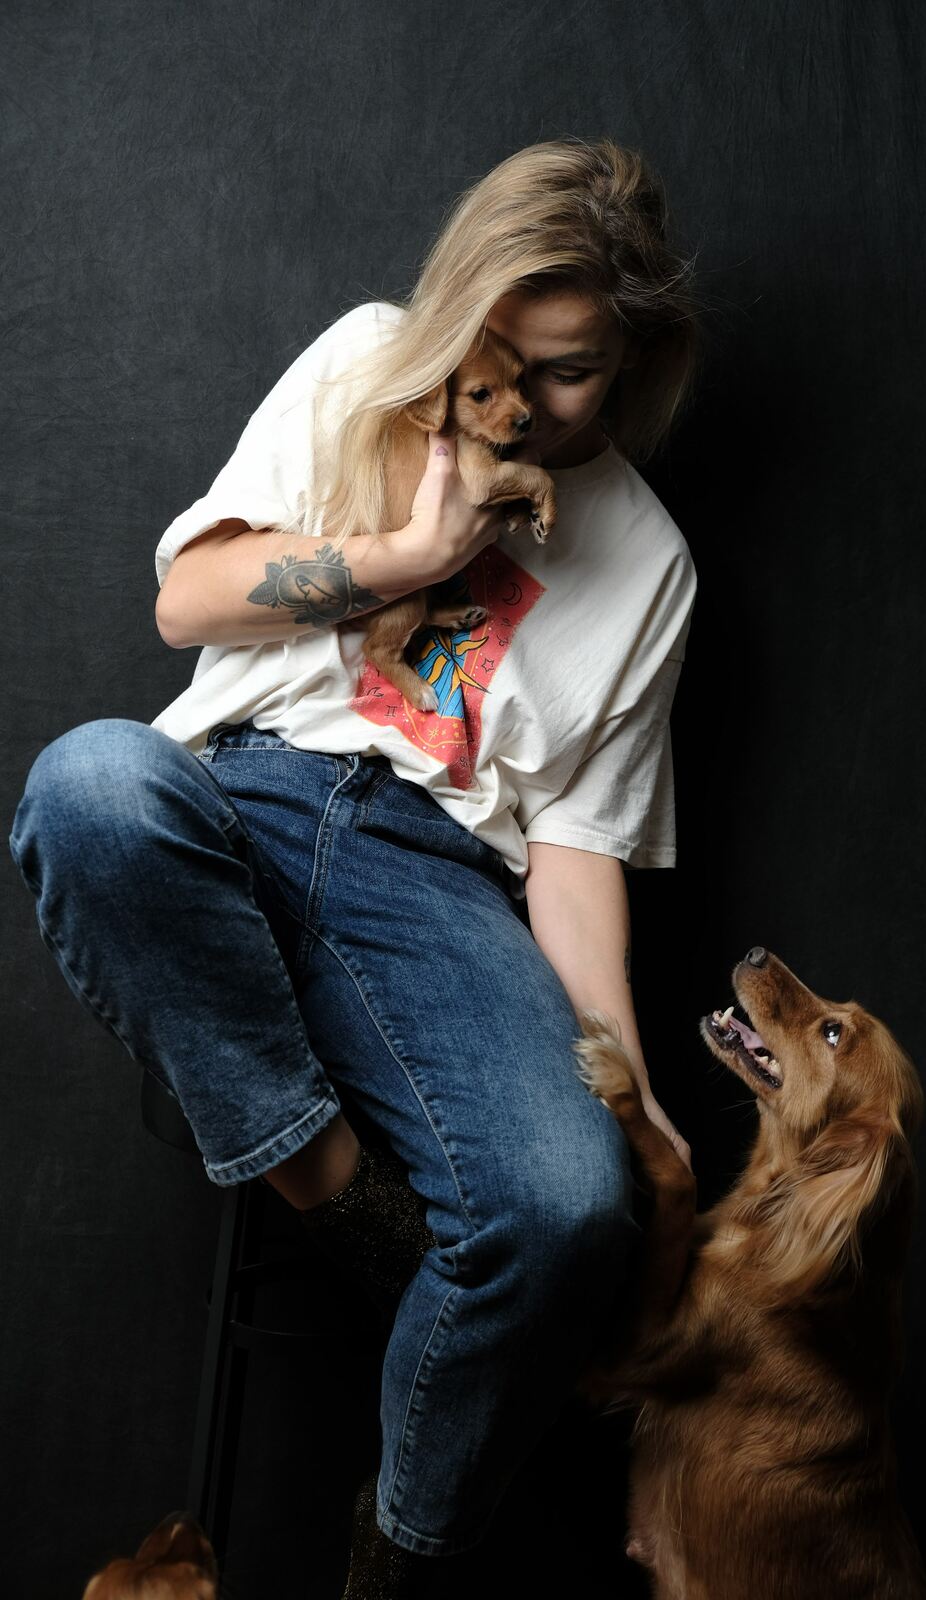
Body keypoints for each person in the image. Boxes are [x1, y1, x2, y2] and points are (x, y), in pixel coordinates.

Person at [9, 135, 701, 1598]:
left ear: (634, 363)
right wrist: (400, 558)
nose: (520, 401)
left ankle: (395, 1561)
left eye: (570, 372)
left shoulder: (649, 565)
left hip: (436, 880)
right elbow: (187, 603)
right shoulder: (367, 363)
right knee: (87, 785)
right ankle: (332, 1186)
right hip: (233, 798)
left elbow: (575, 854)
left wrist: (631, 1099)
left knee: (568, 1208)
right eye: (496, 356)